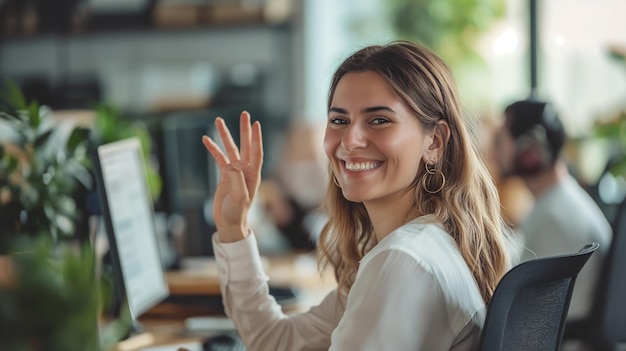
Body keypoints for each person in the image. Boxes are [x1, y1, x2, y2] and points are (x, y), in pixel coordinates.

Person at [201, 40, 513, 350]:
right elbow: (276, 340)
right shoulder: (418, 246)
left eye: (379, 120)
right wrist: (233, 228)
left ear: (434, 142)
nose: (350, 140)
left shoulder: (403, 260)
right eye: (339, 120)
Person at [492, 99, 613, 323]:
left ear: (530, 149)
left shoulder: (552, 218)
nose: (495, 154)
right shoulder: (559, 201)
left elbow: (529, 317)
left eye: (500, 141)